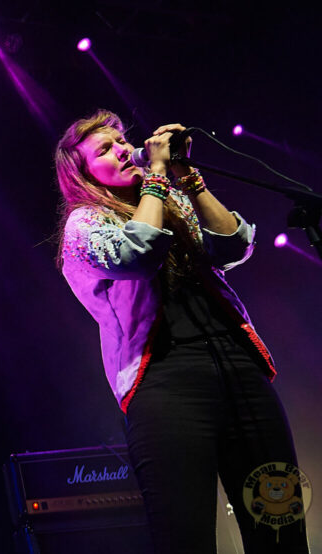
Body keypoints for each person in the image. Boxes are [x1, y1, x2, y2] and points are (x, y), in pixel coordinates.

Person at [54, 110, 308, 553]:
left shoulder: (171, 198)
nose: (121, 149)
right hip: (166, 384)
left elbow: (233, 245)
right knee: (184, 535)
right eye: (104, 150)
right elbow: (138, 254)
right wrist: (155, 175)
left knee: (280, 522)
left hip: (238, 363)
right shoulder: (84, 224)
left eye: (120, 140)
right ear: (82, 173)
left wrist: (188, 178)